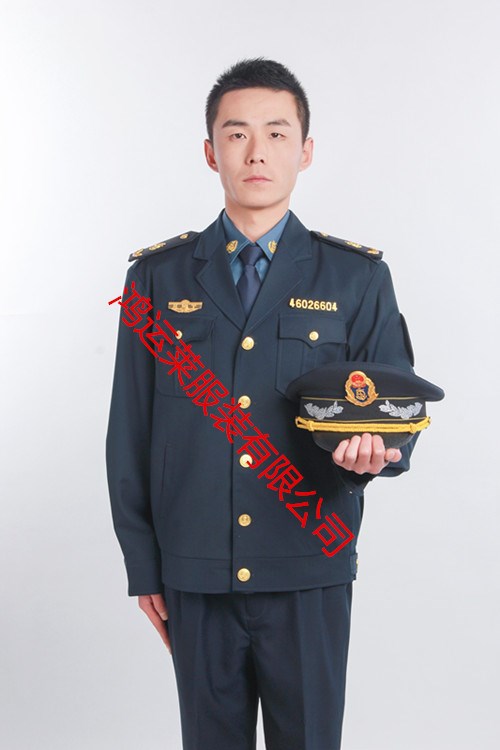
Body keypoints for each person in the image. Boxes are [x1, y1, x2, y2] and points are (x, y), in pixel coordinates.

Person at [106, 57, 418, 750]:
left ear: (305, 151)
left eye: (277, 133)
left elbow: (395, 410)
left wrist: (380, 454)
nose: (256, 152)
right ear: (210, 151)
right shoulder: (156, 278)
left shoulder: (356, 277)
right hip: (195, 571)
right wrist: (144, 565)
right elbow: (130, 430)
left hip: (307, 566)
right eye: (237, 133)